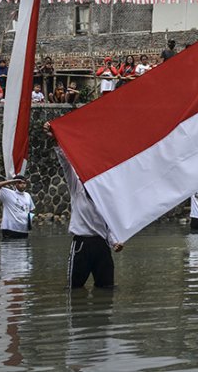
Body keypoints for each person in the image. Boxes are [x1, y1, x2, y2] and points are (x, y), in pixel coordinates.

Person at [43, 121, 124, 288]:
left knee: (107, 287)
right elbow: (65, 163)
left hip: (101, 244)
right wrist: (55, 139)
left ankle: (103, 312)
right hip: (82, 244)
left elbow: (108, 223)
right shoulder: (76, 186)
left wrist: (115, 241)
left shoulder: (105, 194)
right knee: (74, 288)